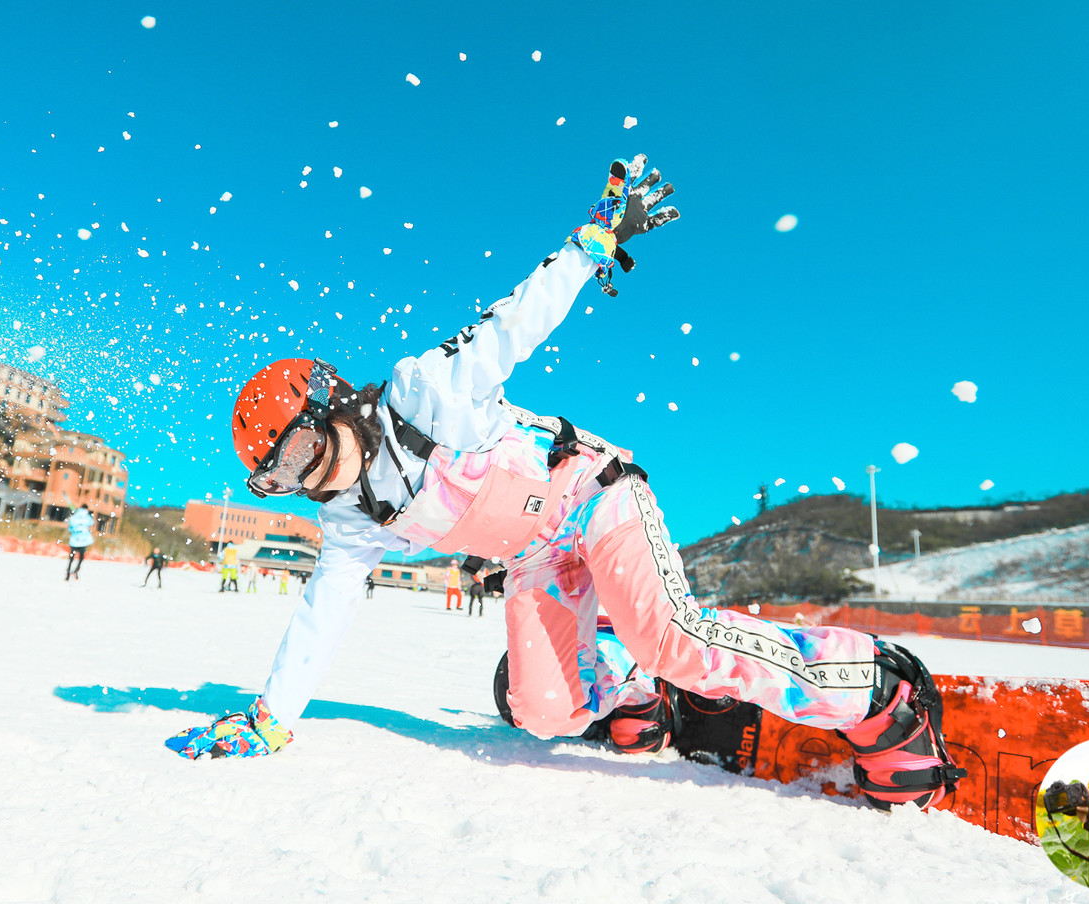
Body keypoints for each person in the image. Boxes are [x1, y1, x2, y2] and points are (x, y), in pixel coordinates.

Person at [168, 155, 964, 812]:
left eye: (305, 445)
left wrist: (592, 241)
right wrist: (272, 717)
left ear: (331, 402)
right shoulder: (349, 520)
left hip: (594, 492)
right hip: (538, 558)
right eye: (284, 474)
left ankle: (875, 687)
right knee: (540, 711)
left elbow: (515, 321)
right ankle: (637, 689)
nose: (313, 473)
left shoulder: (421, 394)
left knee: (672, 635)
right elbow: (323, 613)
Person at [65, 503, 94, 581]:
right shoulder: (87, 517)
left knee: (71, 557)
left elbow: (70, 527)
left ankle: (68, 573)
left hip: (74, 540)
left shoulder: (75, 516)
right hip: (83, 541)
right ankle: (76, 571)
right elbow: (91, 523)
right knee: (81, 558)